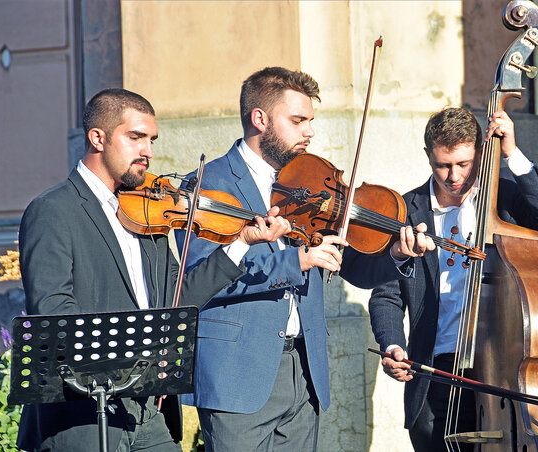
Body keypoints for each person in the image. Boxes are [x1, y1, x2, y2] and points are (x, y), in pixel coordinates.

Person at [16, 88, 291, 452]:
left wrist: (241, 241)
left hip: (148, 411)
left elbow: (180, 297)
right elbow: (54, 312)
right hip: (84, 412)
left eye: (151, 140)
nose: (147, 151)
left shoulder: (147, 211)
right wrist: (132, 356)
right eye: (135, 138)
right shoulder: (53, 210)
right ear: (97, 138)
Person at [176, 66, 435, 451]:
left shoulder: (312, 185)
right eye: (298, 121)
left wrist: (395, 254)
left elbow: (354, 268)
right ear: (259, 119)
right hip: (239, 374)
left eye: (311, 121)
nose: (309, 132)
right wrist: (295, 262)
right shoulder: (208, 184)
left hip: (303, 371)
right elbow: (198, 281)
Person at [368, 106, 538, 452]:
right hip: (436, 370)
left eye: (463, 164)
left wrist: (511, 153)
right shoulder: (405, 210)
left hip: (502, 368)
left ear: (480, 152)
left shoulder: (504, 199)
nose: (453, 176)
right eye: (442, 165)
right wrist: (392, 345)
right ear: (427, 156)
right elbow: (386, 293)